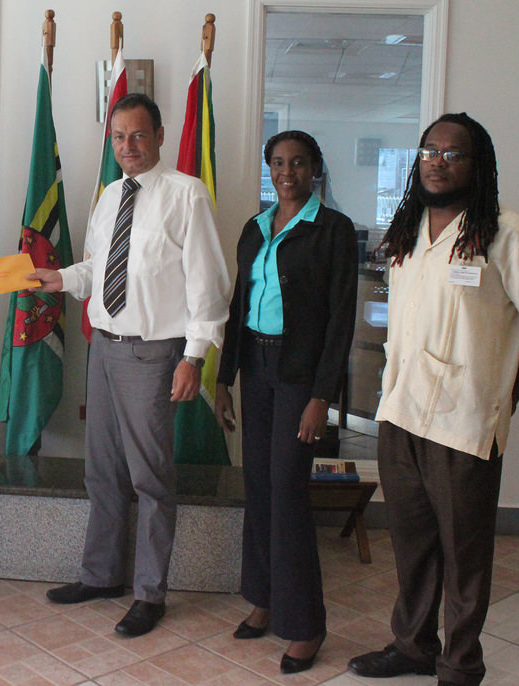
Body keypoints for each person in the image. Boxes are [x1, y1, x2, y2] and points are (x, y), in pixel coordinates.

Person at [348, 113, 519, 686]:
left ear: (479, 164)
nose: (437, 161)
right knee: (413, 544)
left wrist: (502, 396)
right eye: (429, 151)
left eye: (453, 153)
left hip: (464, 425)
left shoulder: (509, 233)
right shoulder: (407, 230)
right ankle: (414, 646)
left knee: (464, 555)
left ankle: (461, 666)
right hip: (401, 414)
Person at [30, 93, 231, 637]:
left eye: (138, 136)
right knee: (103, 470)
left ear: (160, 135)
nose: (128, 147)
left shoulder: (187, 195)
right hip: (106, 347)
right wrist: (61, 279)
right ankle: (100, 575)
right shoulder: (110, 194)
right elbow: (99, 267)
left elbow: (207, 284)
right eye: (119, 138)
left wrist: (194, 357)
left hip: (154, 352)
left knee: (150, 476)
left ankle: (149, 593)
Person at [213, 131, 357, 674]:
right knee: (259, 487)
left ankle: (305, 626)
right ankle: (264, 600)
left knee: (288, 493)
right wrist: (224, 378)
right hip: (256, 366)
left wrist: (323, 397)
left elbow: (340, 321)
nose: (287, 171)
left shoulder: (333, 231)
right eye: (278, 163)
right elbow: (237, 305)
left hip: (301, 376)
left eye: (298, 163)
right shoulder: (254, 229)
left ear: (315, 169)